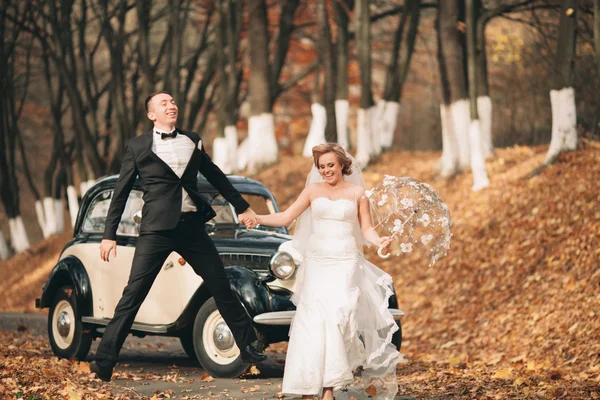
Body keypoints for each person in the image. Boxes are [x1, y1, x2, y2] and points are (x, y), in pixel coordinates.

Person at [89, 91, 265, 382]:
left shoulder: (192, 140)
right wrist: (109, 235)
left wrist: (242, 206)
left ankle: (248, 347)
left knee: (220, 284)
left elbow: (216, 176)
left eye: (172, 102)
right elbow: (120, 194)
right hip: (156, 230)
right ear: (151, 115)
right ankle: (104, 361)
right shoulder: (137, 146)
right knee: (133, 295)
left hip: (192, 228)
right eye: (163, 103)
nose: (171, 106)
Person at [247, 143, 402, 400]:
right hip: (317, 263)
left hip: (345, 262)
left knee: (337, 318)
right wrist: (258, 218)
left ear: (342, 165)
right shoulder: (311, 191)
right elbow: (286, 217)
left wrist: (379, 241)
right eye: (322, 166)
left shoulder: (358, 193)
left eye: (331, 165)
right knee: (312, 323)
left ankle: (328, 389)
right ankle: (309, 388)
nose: (326, 170)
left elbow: (367, 230)